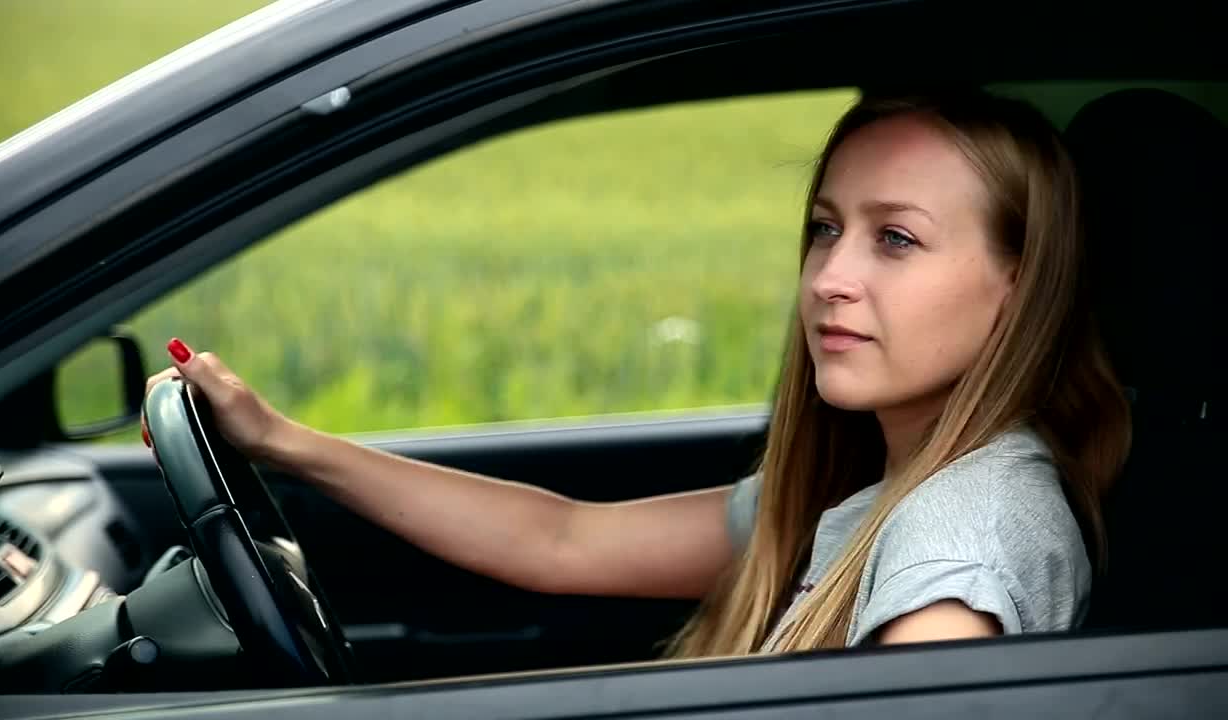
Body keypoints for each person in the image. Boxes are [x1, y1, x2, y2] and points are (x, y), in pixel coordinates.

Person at [141, 88, 1131, 658]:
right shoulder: (879, 498)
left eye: (895, 241)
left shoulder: (964, 535)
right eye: (824, 229)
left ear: (1016, 284)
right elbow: (561, 541)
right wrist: (284, 443)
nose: (829, 279)